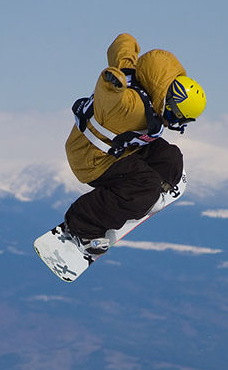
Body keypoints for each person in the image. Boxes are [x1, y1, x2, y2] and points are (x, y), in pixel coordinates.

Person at [63, 33, 206, 256]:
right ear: (170, 105)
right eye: (178, 119)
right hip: (91, 159)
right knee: (145, 185)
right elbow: (109, 98)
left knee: (170, 157)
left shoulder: (142, 84)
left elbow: (122, 48)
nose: (175, 125)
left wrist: (127, 41)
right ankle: (82, 227)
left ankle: (148, 193)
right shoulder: (132, 106)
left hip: (119, 149)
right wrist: (112, 85)